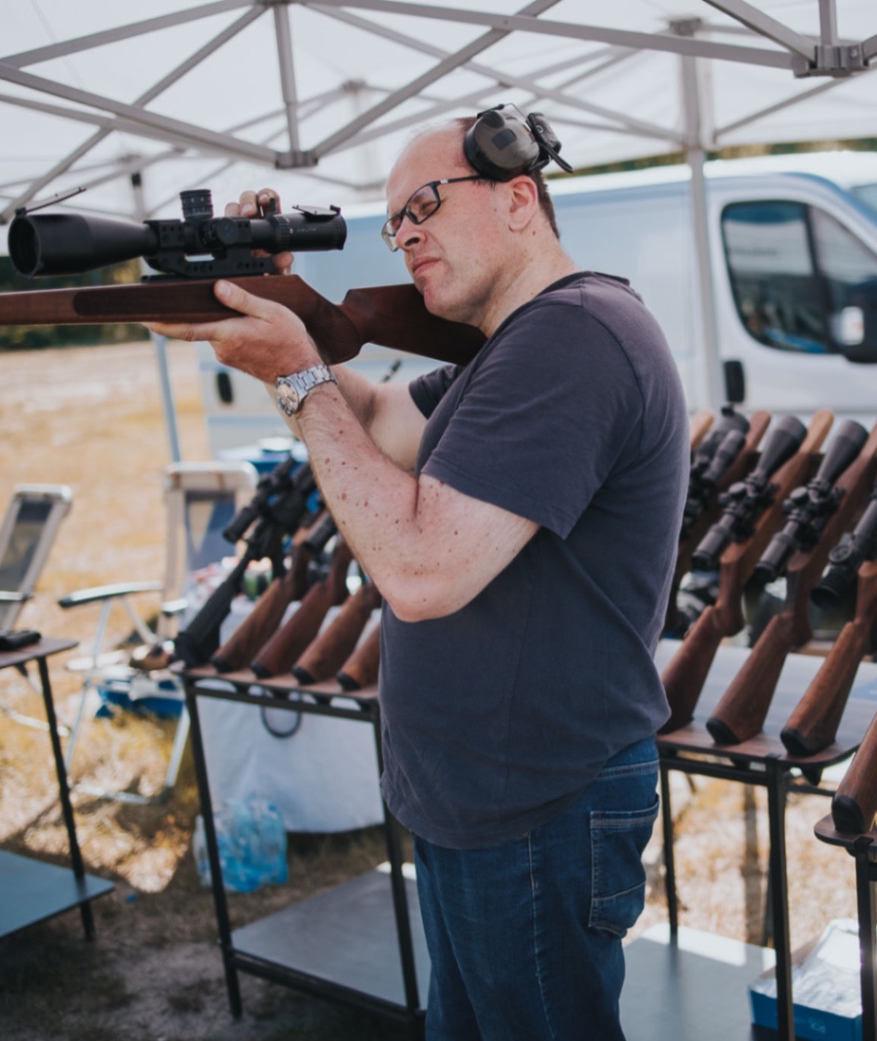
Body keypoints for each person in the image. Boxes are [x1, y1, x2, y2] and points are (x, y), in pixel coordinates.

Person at [147, 107, 690, 1040]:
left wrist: (296, 377)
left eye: (426, 205)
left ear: (520, 198)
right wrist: (283, 306)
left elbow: (422, 571)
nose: (404, 236)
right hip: (488, 797)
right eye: (395, 220)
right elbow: (385, 419)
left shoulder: (574, 336)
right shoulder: (516, 344)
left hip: (537, 802)